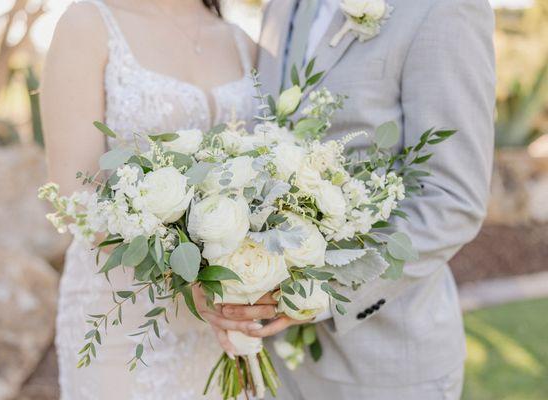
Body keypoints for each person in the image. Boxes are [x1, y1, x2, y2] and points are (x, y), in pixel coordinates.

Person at [212, 0, 496, 398]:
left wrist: (317, 293)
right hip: (272, 366)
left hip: (384, 365)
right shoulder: (280, 8)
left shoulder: (445, 9)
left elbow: (452, 200)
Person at [40, 0, 256, 398]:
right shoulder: (88, 24)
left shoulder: (243, 41)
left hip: (225, 321)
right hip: (120, 317)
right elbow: (72, 196)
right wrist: (186, 277)